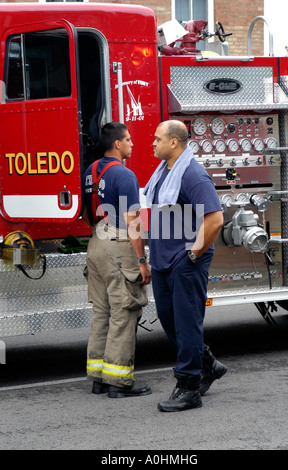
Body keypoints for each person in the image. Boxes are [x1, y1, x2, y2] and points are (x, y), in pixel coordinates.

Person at [144, 120, 227, 412]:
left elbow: (215, 220)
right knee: (170, 322)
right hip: (163, 260)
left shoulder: (193, 175)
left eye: (157, 139)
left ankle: (189, 388)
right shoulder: (163, 172)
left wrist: (192, 255)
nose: (152, 143)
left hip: (185, 260)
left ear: (174, 142)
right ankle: (208, 364)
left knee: (187, 323)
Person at [82, 122, 152, 398]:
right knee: (124, 312)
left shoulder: (91, 171)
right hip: (118, 242)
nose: (132, 144)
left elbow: (86, 213)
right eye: (129, 139)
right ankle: (119, 382)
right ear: (117, 144)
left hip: (95, 240)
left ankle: (98, 378)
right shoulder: (124, 175)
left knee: (102, 312)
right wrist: (142, 260)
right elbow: (132, 221)